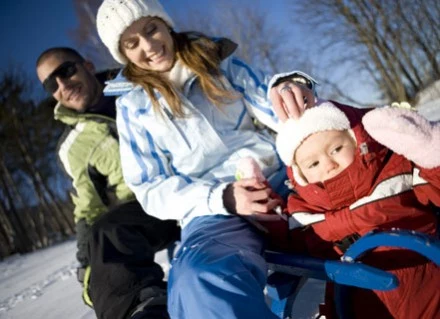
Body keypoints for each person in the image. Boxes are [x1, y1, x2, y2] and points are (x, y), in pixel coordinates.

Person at [95, 0, 318, 317]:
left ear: (165, 24)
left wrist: (289, 86)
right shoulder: (132, 107)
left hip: (276, 179)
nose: (149, 46)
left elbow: (270, 98)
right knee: (199, 279)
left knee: (356, 201)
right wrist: (222, 197)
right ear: (124, 54)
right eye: (132, 43)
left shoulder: (217, 61)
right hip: (212, 209)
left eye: (151, 28)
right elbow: (150, 186)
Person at [35, 47, 180, 319]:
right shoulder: (73, 148)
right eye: (50, 84)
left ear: (87, 65)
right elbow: (88, 209)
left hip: (199, 175)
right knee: (107, 230)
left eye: (66, 71)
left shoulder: (137, 84)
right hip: (152, 208)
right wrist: (88, 265)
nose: (63, 85)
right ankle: (141, 309)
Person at [273, 102, 440, 318]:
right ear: (300, 176)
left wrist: (428, 151)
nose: (329, 164)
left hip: (427, 282)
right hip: (360, 302)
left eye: (336, 149)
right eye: (313, 164)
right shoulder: (304, 212)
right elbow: (290, 246)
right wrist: (265, 218)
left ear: (356, 141)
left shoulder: (394, 170)